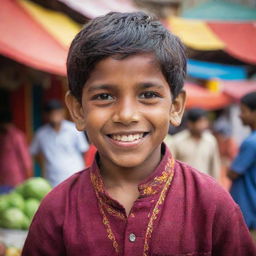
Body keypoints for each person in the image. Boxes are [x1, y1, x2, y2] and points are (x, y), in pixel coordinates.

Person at [22, 12, 256, 255]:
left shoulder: (213, 205)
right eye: (104, 96)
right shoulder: (57, 210)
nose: (126, 115)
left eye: (148, 95)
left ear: (175, 107)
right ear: (78, 110)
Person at [30, 100, 89, 187]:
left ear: (63, 113)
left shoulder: (74, 129)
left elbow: (84, 151)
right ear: (46, 115)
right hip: (52, 179)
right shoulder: (41, 134)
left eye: (57, 112)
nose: (55, 116)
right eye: (51, 113)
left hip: (75, 176)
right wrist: (44, 166)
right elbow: (33, 153)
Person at [228, 92, 256, 238]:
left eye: (243, 111)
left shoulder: (251, 143)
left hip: (249, 215)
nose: (240, 115)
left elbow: (232, 173)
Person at [165, 108, 221, 180]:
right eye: (200, 122)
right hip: (184, 184)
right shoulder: (177, 141)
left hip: (205, 184)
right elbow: (170, 166)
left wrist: (215, 184)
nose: (203, 125)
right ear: (190, 124)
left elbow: (214, 166)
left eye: (205, 121)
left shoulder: (210, 140)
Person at [0, 110, 32, 187]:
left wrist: (29, 178)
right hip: (2, 179)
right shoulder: (2, 136)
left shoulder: (17, 136)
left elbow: (25, 159)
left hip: (16, 179)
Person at [213, 119, 238, 190]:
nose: (222, 138)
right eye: (220, 135)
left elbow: (233, 159)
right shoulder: (212, 141)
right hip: (217, 173)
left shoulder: (231, 142)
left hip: (226, 173)